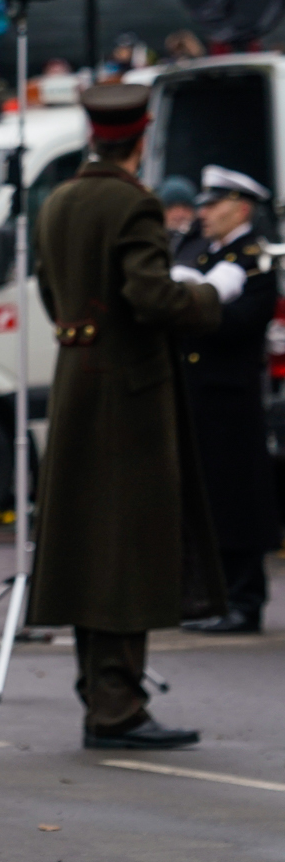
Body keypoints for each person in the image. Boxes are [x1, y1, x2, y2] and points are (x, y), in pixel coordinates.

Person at [29, 84, 229, 746]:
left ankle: (103, 698)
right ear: (141, 138)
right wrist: (205, 296)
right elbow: (149, 295)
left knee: (91, 545)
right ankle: (117, 708)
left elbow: (49, 287)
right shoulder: (132, 202)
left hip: (75, 382)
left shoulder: (59, 199)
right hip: (129, 393)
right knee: (127, 550)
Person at [172, 166, 278, 635]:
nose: (203, 213)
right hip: (197, 392)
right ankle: (208, 595)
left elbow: (240, 321)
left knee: (238, 500)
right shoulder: (198, 251)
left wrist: (192, 307)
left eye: (214, 204)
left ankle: (244, 599)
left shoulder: (253, 258)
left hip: (230, 396)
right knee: (207, 500)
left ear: (242, 207)